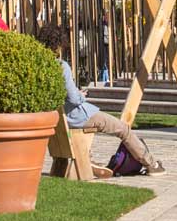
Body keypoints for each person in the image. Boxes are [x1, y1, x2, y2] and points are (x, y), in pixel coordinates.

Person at [33, 25, 161, 175]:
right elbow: (74, 99)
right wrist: (81, 95)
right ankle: (152, 164)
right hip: (77, 116)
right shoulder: (61, 66)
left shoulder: (38, 67)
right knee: (123, 129)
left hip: (60, 119)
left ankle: (89, 159)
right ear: (58, 44)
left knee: (117, 127)